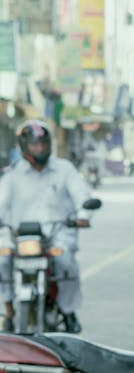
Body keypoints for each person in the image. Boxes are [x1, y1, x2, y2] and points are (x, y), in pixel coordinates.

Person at [0, 120, 95, 333]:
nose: (39, 149)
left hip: (57, 233)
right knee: (2, 259)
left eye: (43, 144)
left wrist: (83, 214)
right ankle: (9, 310)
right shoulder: (13, 174)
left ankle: (68, 311)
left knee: (65, 261)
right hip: (20, 236)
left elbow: (82, 195)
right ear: (24, 146)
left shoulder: (64, 169)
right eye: (34, 145)